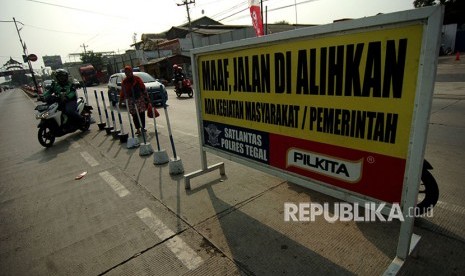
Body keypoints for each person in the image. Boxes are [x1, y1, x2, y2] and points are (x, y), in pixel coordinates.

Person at [119, 65, 149, 135]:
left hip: (139, 99)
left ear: (131, 72)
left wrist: (147, 98)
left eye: (128, 72)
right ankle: (138, 129)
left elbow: (143, 88)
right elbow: (122, 92)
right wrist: (120, 101)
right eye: (126, 72)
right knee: (134, 115)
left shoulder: (137, 79)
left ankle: (142, 128)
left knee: (141, 114)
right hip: (130, 101)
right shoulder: (124, 82)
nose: (127, 73)